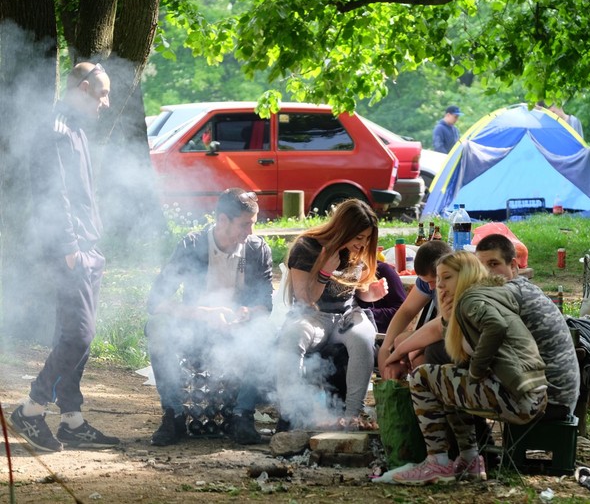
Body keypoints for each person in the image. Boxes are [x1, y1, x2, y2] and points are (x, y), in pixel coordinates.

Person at [8, 62, 117, 452]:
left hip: (88, 249)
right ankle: (31, 410)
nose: (106, 103)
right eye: (103, 94)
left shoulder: (77, 129)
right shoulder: (56, 131)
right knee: (78, 334)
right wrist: (71, 249)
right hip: (69, 251)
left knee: (78, 336)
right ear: (84, 88)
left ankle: (71, 419)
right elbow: (55, 197)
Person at [392, 251, 547, 485]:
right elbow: (462, 350)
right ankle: (469, 460)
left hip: (515, 397)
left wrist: (476, 372)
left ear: (465, 276)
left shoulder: (471, 300)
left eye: (447, 277)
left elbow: (496, 326)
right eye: (438, 279)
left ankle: (438, 462)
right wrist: (446, 317)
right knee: (449, 375)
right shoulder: (485, 295)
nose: (440, 285)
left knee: (421, 377)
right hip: (530, 396)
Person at [145, 188, 274, 446]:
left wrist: (246, 313)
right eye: (245, 224)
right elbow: (156, 302)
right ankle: (174, 414)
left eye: (253, 224)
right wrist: (202, 314)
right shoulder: (192, 245)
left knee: (264, 331)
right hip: (194, 329)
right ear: (222, 220)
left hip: (237, 332)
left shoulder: (257, 250)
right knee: (157, 326)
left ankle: (243, 416)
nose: (250, 231)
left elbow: (265, 305)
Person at [276, 199, 388, 430]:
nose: (362, 244)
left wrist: (372, 294)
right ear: (342, 230)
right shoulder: (307, 247)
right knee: (293, 336)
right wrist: (325, 270)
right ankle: (291, 412)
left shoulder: (357, 252)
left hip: (346, 316)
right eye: (359, 238)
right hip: (312, 316)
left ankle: (352, 414)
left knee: (362, 339)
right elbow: (307, 298)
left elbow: (358, 291)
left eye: (367, 239)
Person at [474, 234, 581, 415]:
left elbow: (442, 329)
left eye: (494, 264)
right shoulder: (522, 286)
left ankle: (461, 443)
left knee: (431, 373)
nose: (486, 273)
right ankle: (476, 440)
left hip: (547, 400)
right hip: (558, 395)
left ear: (514, 266)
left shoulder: (509, 293)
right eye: (480, 266)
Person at [377, 239, 452, 379]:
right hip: (441, 331)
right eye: (426, 282)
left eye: (433, 281)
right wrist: (386, 347)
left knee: (416, 352)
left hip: (453, 336)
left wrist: (399, 352)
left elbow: (439, 326)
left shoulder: (456, 282)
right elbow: (407, 311)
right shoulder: (429, 281)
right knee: (400, 340)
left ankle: (427, 392)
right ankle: (413, 389)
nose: (431, 287)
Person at [356, 259, 406, 333]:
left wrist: (362, 315)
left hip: (379, 335)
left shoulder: (383, 270)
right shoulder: (336, 274)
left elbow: (401, 312)